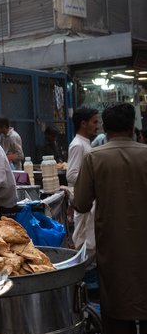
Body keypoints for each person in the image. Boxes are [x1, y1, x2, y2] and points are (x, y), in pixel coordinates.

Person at [73, 102, 147, 334]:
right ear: (132, 126)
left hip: (114, 253)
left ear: (105, 127)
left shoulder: (94, 157)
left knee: (118, 326)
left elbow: (81, 203)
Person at [67, 107, 99, 257]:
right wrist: (93, 180)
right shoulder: (78, 145)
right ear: (83, 123)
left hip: (88, 200)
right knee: (84, 243)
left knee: (90, 242)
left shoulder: (85, 143)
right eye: (94, 122)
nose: (97, 126)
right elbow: (71, 175)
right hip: (84, 201)